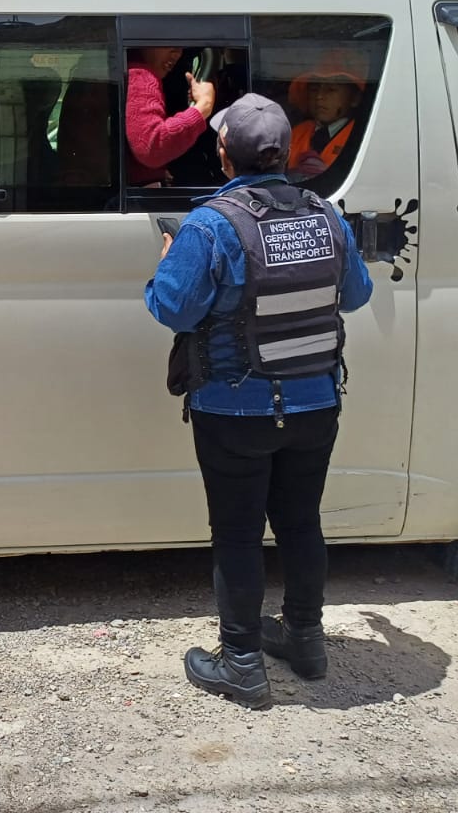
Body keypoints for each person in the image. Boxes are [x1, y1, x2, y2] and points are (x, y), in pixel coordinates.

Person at [145, 94, 373, 710]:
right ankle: (305, 640)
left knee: (239, 534)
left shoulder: (210, 225)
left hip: (234, 408)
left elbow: (173, 308)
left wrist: (169, 263)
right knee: (301, 523)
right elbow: (355, 295)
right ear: (286, 152)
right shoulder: (326, 215)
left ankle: (242, 662)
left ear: (224, 155)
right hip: (316, 402)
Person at [126, 47, 215, 186]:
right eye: (169, 41)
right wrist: (203, 106)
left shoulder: (127, 71)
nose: (177, 53)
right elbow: (152, 148)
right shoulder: (140, 75)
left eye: (180, 47)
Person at [287, 52, 367, 182]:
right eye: (314, 89)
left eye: (331, 89)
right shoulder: (296, 133)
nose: (319, 96)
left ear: (355, 98)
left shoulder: (362, 134)